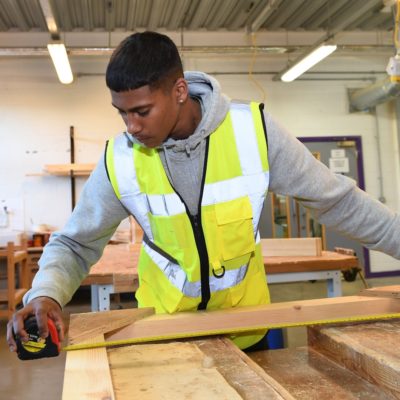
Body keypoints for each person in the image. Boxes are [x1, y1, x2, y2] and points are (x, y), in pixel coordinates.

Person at [7, 31, 400, 351]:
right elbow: (76, 244)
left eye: (141, 111)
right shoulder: (121, 160)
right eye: (121, 112)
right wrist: (45, 294)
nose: (130, 125)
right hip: (163, 334)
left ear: (179, 90)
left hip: (247, 329)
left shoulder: (254, 134)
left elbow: (340, 201)